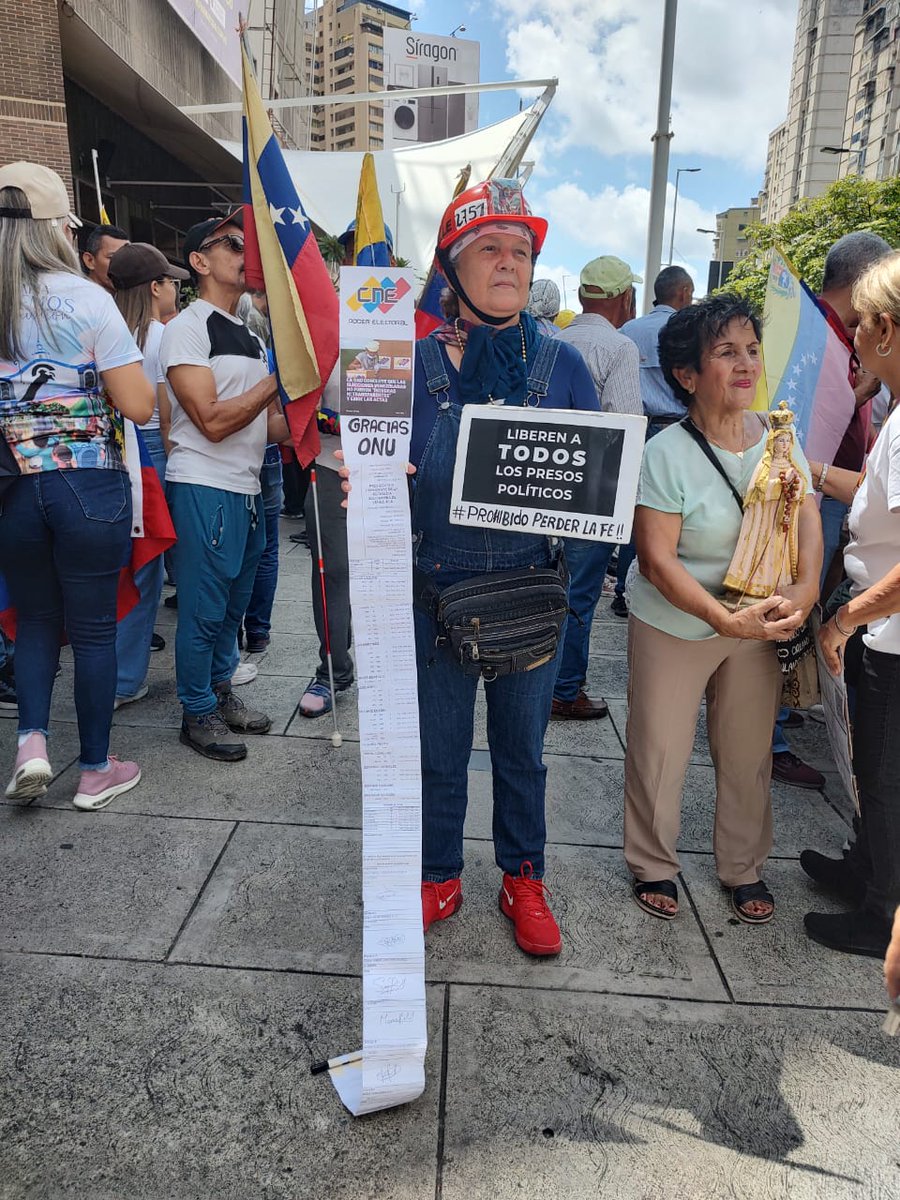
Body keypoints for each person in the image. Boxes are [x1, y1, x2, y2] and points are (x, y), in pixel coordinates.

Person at [412, 178, 599, 957]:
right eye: (490, 248)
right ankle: (436, 873)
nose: (509, 262)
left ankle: (524, 876)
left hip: (530, 593)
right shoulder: (406, 363)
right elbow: (353, 454)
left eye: (520, 250)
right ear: (453, 269)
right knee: (440, 751)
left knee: (524, 753)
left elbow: (597, 494)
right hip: (435, 591)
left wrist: (575, 598)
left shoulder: (565, 368)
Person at [624, 294, 822, 924]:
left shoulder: (781, 438)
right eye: (725, 352)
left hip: (760, 622)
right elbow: (657, 560)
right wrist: (721, 618)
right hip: (677, 620)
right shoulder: (666, 453)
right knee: (661, 749)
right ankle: (654, 863)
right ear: (686, 374)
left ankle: (743, 867)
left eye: (752, 351)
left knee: (745, 752)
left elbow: (808, 519)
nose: (745, 365)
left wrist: (808, 587)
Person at [0, 162, 154, 809]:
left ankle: (31, 744)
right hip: (88, 484)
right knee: (91, 632)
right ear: (58, 229)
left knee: (34, 622)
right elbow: (139, 404)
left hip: (13, 488)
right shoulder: (87, 299)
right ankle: (94, 770)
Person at [159, 211, 289, 762]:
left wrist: (317, 404)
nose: (245, 251)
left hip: (247, 486)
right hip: (204, 484)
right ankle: (196, 711)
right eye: (233, 243)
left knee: (233, 608)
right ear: (199, 260)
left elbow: (271, 427)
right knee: (206, 610)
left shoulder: (250, 335)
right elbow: (210, 420)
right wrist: (277, 383)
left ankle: (218, 690)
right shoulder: (186, 326)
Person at [803, 250, 900, 959]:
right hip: (880, 623)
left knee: (889, 778)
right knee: (871, 767)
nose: (852, 337)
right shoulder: (892, 408)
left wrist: (844, 619)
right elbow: (865, 488)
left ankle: (883, 915)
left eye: (862, 325)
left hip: (888, 629)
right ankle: (866, 872)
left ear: (888, 330)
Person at [551, 255, 642, 718]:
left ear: (583, 296)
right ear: (625, 298)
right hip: (591, 492)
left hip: (547, 488)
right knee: (580, 593)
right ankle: (565, 690)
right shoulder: (619, 348)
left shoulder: (553, 340)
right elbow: (626, 428)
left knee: (551, 587)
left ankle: (542, 681)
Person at [107, 242, 188, 706]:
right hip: (152, 449)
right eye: (171, 281)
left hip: (108, 452)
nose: (175, 288)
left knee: (121, 566)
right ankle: (124, 680)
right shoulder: (162, 337)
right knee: (148, 569)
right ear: (155, 287)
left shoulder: (104, 329)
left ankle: (114, 674)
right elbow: (166, 412)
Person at [79, 223, 129, 294]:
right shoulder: (76, 299)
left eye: (126, 258)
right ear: (89, 260)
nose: (122, 265)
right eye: (112, 258)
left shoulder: (132, 299)